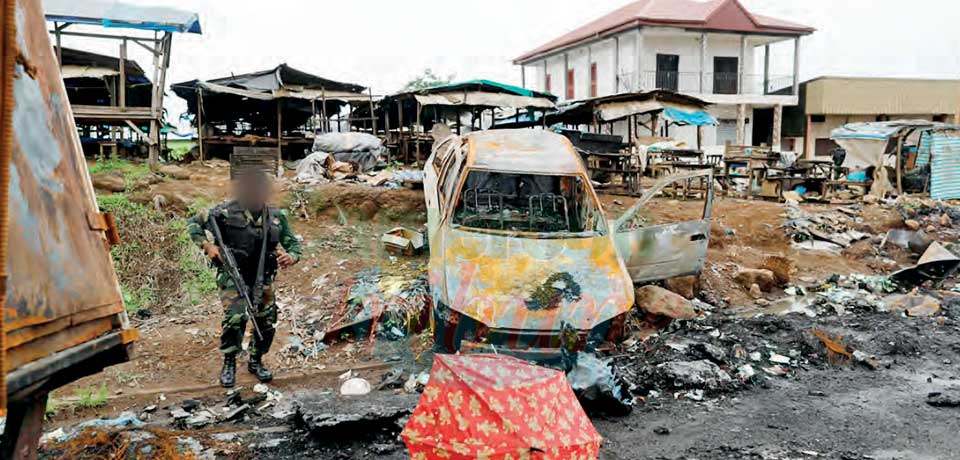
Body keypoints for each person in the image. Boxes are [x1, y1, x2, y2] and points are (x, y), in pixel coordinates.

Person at [186, 169, 301, 387]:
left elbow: (294, 245)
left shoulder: (276, 217)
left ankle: (256, 361)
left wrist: (291, 257)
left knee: (266, 322)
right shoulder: (224, 212)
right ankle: (229, 361)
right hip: (233, 275)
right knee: (236, 318)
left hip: (263, 277)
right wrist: (208, 246)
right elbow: (193, 223)